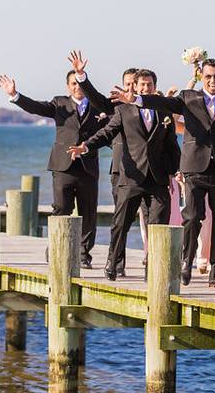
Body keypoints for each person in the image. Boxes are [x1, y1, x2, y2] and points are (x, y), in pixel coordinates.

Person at [113, 58, 215, 287]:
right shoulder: (189, 98)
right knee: (192, 217)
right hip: (195, 168)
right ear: (202, 78)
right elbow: (163, 103)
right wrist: (136, 99)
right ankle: (187, 262)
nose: (212, 80)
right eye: (208, 76)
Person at [0, 51, 109, 269]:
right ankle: (57, 247)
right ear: (68, 86)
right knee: (61, 208)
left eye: (79, 83)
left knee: (89, 213)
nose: (77, 87)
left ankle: (84, 254)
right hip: (63, 166)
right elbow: (37, 107)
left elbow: (110, 129)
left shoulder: (98, 106)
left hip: (88, 166)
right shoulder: (59, 103)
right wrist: (15, 95)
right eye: (73, 84)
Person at [68, 69, 180, 281]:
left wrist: (175, 171)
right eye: (143, 85)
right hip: (132, 177)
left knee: (158, 226)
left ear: (155, 87)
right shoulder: (123, 110)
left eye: (150, 85)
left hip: (157, 179)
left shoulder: (164, 112)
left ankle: (154, 269)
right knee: (121, 224)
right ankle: (113, 261)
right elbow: (106, 133)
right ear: (135, 87)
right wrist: (85, 147)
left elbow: (172, 145)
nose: (146, 88)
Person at [75, 64, 139, 276]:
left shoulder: (148, 105)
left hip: (148, 174)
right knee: (121, 220)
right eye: (127, 83)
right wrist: (81, 76)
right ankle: (116, 263)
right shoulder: (114, 106)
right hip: (121, 170)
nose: (130, 88)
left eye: (134, 84)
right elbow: (93, 96)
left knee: (150, 221)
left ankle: (153, 262)